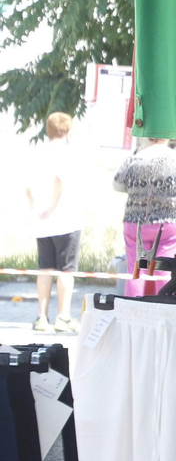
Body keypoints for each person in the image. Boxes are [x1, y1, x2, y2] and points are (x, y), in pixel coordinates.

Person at [114, 138, 176, 295]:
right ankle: (162, 306)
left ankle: (133, 307)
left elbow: (117, 184)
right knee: (163, 270)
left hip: (137, 224)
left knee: (138, 269)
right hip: (168, 224)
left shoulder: (134, 159)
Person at [25, 112, 84, 333]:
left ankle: (42, 317)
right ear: (67, 130)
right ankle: (63, 316)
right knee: (66, 271)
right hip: (66, 220)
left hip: (42, 223)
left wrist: (37, 210)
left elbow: (28, 189)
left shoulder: (37, 153)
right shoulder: (68, 153)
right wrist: (52, 207)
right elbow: (60, 181)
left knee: (45, 269)